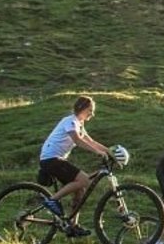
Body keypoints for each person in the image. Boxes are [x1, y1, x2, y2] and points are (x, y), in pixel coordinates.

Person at [38, 96, 112, 238]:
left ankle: (73, 226)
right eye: (90, 110)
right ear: (82, 109)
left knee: (80, 189)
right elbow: (77, 140)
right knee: (84, 180)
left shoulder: (79, 124)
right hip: (51, 159)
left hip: (56, 159)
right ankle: (52, 201)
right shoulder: (70, 121)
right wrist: (97, 152)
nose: (92, 114)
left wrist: (109, 151)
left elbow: (90, 141)